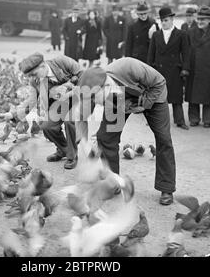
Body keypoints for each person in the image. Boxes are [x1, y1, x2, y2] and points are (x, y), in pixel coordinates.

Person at [76, 59, 177, 206]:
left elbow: (160, 82)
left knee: (164, 138)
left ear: (106, 86)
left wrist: (143, 105)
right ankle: (113, 182)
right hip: (118, 100)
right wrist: (84, 144)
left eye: (96, 99)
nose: (95, 104)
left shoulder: (129, 67)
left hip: (153, 95)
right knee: (105, 137)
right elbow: (80, 117)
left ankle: (166, 187)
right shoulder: (91, 90)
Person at [18, 53, 83, 169]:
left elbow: (83, 76)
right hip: (59, 104)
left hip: (78, 98)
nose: (32, 78)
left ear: (43, 66)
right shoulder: (35, 81)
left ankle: (72, 156)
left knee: (70, 121)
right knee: (46, 125)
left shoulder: (62, 62)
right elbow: (31, 101)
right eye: (29, 76)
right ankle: (64, 150)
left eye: (34, 74)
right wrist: (11, 114)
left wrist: (71, 88)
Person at [148, 7, 190, 130]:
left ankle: (180, 120)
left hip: (175, 70)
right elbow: (151, 54)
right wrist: (149, 70)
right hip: (159, 71)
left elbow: (186, 53)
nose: (164, 23)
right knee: (158, 98)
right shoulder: (156, 35)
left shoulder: (181, 34)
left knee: (176, 98)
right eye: (162, 21)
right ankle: (156, 121)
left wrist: (185, 69)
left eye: (166, 20)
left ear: (172, 19)